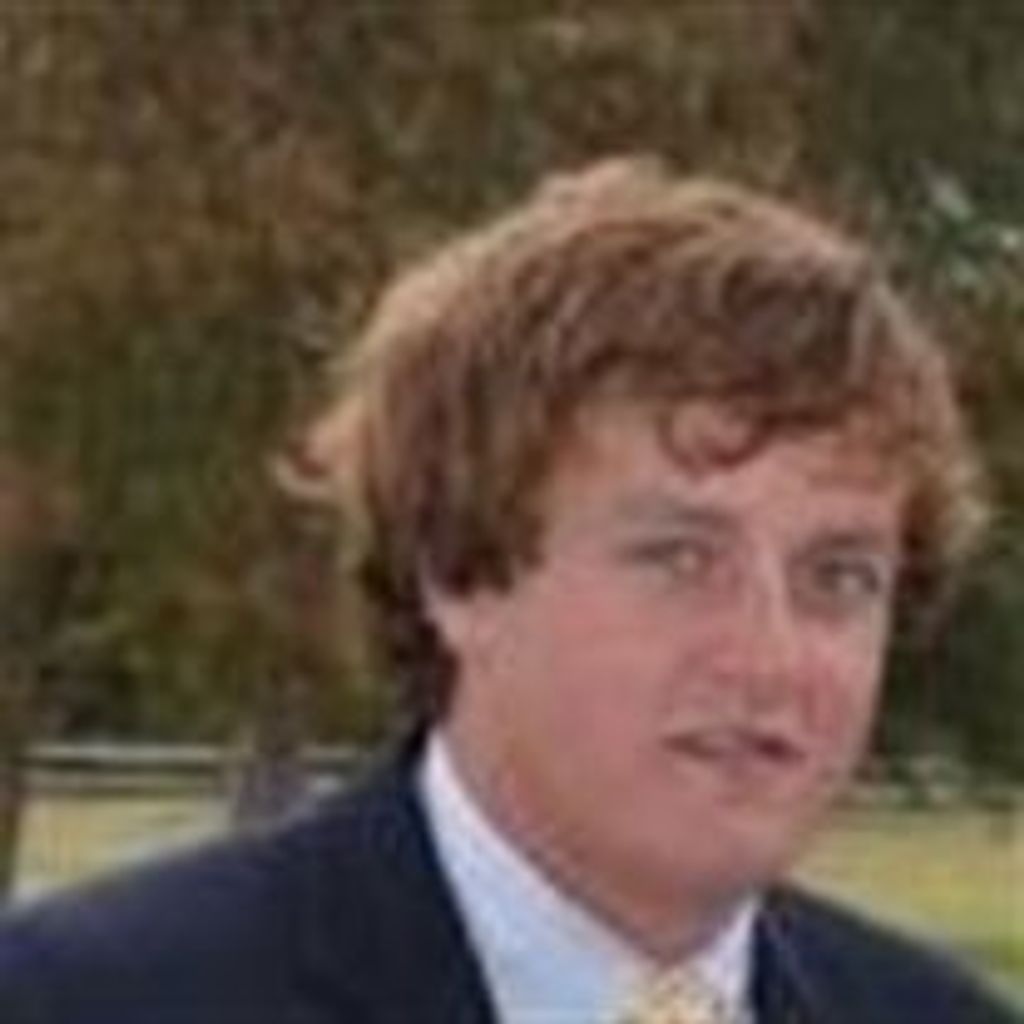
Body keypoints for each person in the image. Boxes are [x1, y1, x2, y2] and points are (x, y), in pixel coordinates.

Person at [0, 156, 1017, 1024]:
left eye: (838, 577)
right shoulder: (87, 1000)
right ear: (457, 568)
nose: (770, 655)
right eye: (679, 558)